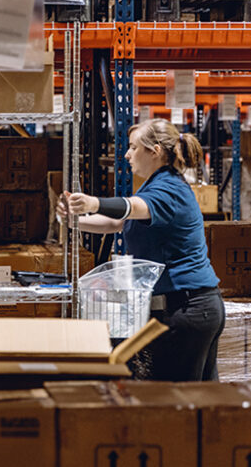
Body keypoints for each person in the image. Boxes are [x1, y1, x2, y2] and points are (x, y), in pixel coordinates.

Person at [57, 118, 225, 381]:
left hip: (187, 310)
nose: (126, 154)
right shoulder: (157, 184)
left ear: (154, 151)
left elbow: (132, 208)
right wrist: (72, 221)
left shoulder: (168, 189)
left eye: (133, 147)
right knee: (193, 401)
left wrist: (92, 202)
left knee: (178, 401)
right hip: (189, 307)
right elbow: (116, 222)